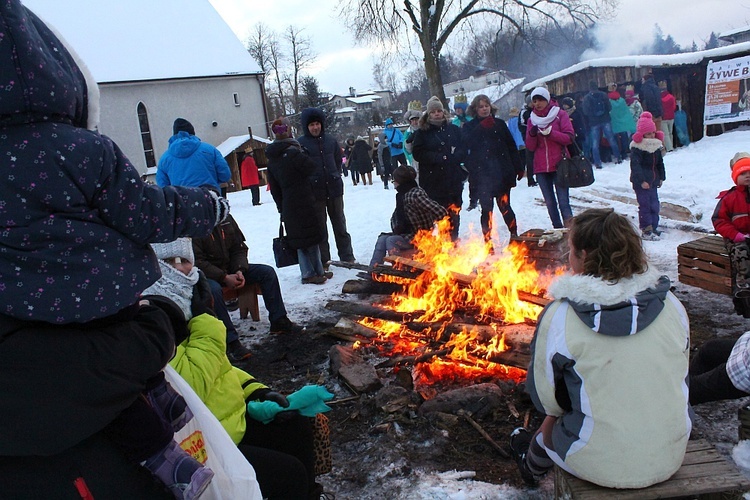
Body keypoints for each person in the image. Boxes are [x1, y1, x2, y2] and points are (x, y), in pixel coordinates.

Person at [0, 2, 231, 497]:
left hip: (28, 310)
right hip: (104, 295)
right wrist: (209, 208)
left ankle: (161, 423)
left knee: (114, 382)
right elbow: (147, 212)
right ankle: (168, 455)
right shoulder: (82, 148)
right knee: (125, 373)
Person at [510, 208, 691, 489]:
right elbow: (680, 375)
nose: (567, 258)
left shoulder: (560, 315)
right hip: (671, 452)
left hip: (598, 462)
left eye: (570, 250)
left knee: (552, 422)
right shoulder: (672, 306)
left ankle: (530, 467)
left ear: (584, 255)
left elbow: (547, 400)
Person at [145, 240, 325, 500]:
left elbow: (222, 368)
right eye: (169, 262)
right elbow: (192, 385)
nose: (181, 270)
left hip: (232, 419)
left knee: (296, 426)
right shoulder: (154, 321)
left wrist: (257, 392)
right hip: (205, 443)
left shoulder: (184, 309)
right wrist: (206, 318)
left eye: (184, 260)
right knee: (288, 474)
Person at [192, 213, 304, 357]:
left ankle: (279, 321)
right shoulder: (194, 225)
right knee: (213, 290)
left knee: (266, 273)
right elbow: (197, 261)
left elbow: (239, 247)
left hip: (230, 268)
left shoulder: (226, 219)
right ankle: (230, 341)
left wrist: (239, 269)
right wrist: (224, 277)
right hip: (206, 275)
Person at [266, 117, 328, 285]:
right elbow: (310, 167)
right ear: (288, 130)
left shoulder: (272, 158)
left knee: (302, 238)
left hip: (289, 203)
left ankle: (315, 270)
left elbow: (274, 187)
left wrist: (281, 207)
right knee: (310, 237)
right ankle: (309, 273)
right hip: (304, 199)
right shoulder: (293, 151)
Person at [297, 107, 356, 265]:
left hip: (335, 189)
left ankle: (347, 255)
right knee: (320, 229)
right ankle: (324, 260)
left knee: (340, 225)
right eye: (311, 125)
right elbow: (301, 168)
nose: (315, 127)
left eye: (317, 124)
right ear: (306, 127)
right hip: (315, 193)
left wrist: (334, 174)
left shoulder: (331, 140)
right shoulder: (301, 144)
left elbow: (338, 160)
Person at [463, 94, 525, 243]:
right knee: (487, 210)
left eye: (486, 106)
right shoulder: (469, 126)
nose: (484, 109)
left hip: (502, 172)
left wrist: (518, 166)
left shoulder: (499, 123)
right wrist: (481, 128)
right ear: (475, 110)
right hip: (483, 174)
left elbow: (511, 146)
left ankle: (514, 234)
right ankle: (487, 240)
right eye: (481, 107)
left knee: (505, 206)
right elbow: (466, 144)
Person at [412, 96, 467, 241]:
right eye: (433, 112)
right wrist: (436, 157)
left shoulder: (453, 129)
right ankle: (440, 243)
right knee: (438, 215)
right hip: (433, 180)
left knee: (454, 212)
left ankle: (453, 240)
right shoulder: (422, 133)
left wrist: (456, 157)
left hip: (453, 177)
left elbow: (463, 146)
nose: (437, 114)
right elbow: (417, 153)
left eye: (439, 111)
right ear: (428, 114)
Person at [369, 166, 448, 266]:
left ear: (400, 181)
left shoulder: (414, 195)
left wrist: (434, 230)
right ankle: (372, 272)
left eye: (394, 181)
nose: (394, 184)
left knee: (391, 241)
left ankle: (400, 271)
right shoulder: (402, 195)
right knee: (382, 239)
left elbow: (441, 212)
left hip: (420, 237)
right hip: (408, 234)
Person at [525, 87, 575, 229]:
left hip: (560, 164)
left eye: (540, 100)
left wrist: (551, 133)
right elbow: (530, 146)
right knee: (549, 202)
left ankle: (570, 232)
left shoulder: (560, 114)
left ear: (547, 100)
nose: (537, 103)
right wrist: (533, 134)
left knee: (563, 201)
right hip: (541, 167)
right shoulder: (531, 119)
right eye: (535, 101)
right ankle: (558, 230)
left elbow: (569, 138)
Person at [156, 117, 232, 191]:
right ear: (192, 133)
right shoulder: (210, 150)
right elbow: (225, 176)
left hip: (181, 201)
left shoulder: (164, 159)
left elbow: (163, 187)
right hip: (209, 198)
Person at [712, 152, 750, 290]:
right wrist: (735, 235)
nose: (747, 176)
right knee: (741, 252)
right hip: (736, 238)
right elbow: (719, 220)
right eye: (743, 173)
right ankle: (743, 283)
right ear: (735, 177)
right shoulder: (729, 198)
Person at [629, 112, 666, 241]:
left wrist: (661, 177)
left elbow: (660, 163)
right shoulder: (638, 148)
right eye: (648, 134)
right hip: (642, 183)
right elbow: (636, 166)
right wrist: (642, 181)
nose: (651, 136)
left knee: (654, 205)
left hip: (653, 181)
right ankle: (646, 229)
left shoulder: (656, 146)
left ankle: (654, 227)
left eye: (652, 133)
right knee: (645, 205)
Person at [582, 80, 622, 169]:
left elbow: (585, 111)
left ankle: (598, 163)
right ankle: (618, 158)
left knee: (595, 143)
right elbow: (609, 107)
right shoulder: (603, 95)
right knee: (611, 139)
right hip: (605, 119)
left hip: (594, 122)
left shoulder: (587, 98)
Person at [608, 87, 636, 160]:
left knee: (615, 139)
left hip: (614, 123)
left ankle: (617, 154)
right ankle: (624, 153)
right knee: (624, 138)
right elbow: (626, 112)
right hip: (623, 123)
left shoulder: (610, 102)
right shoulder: (622, 101)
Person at [518, 97, 538, 187]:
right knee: (530, 158)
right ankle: (530, 179)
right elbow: (521, 126)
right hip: (528, 137)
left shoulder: (535, 111)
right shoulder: (524, 112)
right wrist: (530, 131)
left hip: (538, 137)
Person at [403, 104, 422, 169]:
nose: (415, 122)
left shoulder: (425, 130)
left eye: (416, 119)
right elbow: (407, 150)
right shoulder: (408, 133)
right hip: (415, 160)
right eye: (412, 120)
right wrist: (408, 142)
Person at [660, 84, 677, 152]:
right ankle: (671, 145)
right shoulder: (671, 97)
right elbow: (674, 107)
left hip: (664, 118)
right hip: (671, 117)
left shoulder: (659, 98)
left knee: (666, 134)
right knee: (670, 133)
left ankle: (669, 148)